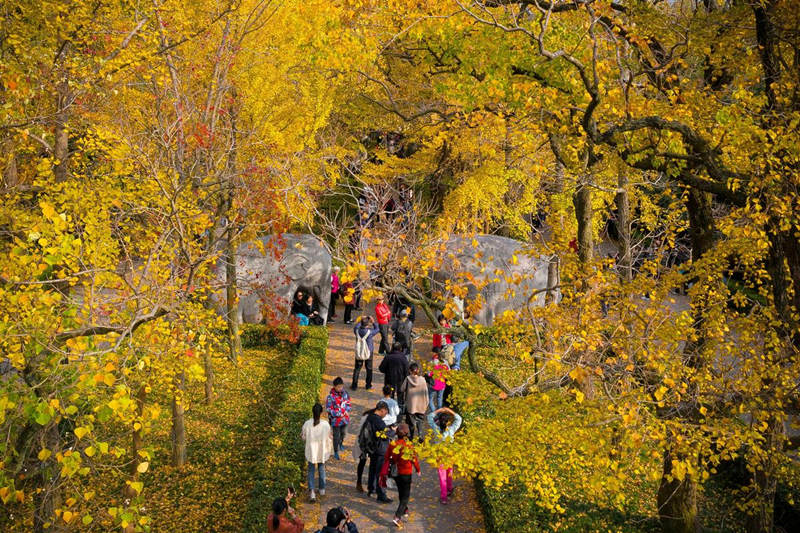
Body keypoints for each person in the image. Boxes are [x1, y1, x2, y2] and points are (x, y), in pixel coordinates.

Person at [380, 424, 420, 529]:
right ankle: (397, 516)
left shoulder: (393, 444)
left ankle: (405, 509)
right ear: (407, 434)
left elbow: (386, 457)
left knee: (401, 491)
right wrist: (418, 469)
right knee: (405, 496)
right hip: (406, 473)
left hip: (396, 472)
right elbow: (414, 458)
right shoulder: (409, 445)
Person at [427, 407, 463, 504]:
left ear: (439, 421)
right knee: (449, 471)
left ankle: (444, 497)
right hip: (450, 454)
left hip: (439, 455)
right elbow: (459, 419)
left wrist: (439, 410)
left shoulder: (436, 429)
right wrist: (448, 410)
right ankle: (450, 489)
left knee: (442, 475)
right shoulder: (451, 430)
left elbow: (429, 417)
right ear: (448, 422)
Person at [359, 400, 392, 503]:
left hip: (372, 448)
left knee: (372, 469)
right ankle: (381, 494)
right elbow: (387, 433)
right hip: (380, 449)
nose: (385, 415)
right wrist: (394, 430)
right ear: (383, 410)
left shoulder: (370, 417)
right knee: (381, 473)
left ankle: (371, 488)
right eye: (386, 413)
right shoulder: (378, 421)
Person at [301, 403, 333, 502]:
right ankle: (322, 489)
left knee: (311, 470)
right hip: (321, 451)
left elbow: (303, 437)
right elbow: (330, 437)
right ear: (321, 413)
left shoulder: (307, 424)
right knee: (321, 468)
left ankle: (312, 492)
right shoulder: (325, 424)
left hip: (311, 451)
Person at [400, 362, 428, 441]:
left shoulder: (408, 379)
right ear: (418, 370)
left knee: (411, 423)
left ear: (410, 370)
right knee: (420, 421)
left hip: (411, 405)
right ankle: (420, 435)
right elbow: (426, 392)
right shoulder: (422, 379)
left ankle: (411, 437)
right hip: (421, 405)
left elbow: (402, 389)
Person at [325, 378, 351, 459]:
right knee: (336, 436)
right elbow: (328, 409)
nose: (340, 388)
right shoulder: (330, 397)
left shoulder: (345, 394)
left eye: (341, 386)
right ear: (334, 386)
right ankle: (336, 451)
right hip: (335, 420)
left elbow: (348, 404)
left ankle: (341, 442)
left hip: (345, 419)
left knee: (343, 433)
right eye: (338, 387)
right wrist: (338, 414)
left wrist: (347, 410)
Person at [352, 316, 379, 390]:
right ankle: (368, 385)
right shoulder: (369, 332)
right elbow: (377, 329)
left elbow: (356, 326)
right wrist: (373, 321)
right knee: (369, 369)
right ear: (368, 325)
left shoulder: (356, 330)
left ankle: (354, 385)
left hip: (359, 351)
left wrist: (360, 320)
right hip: (368, 352)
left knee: (357, 368)